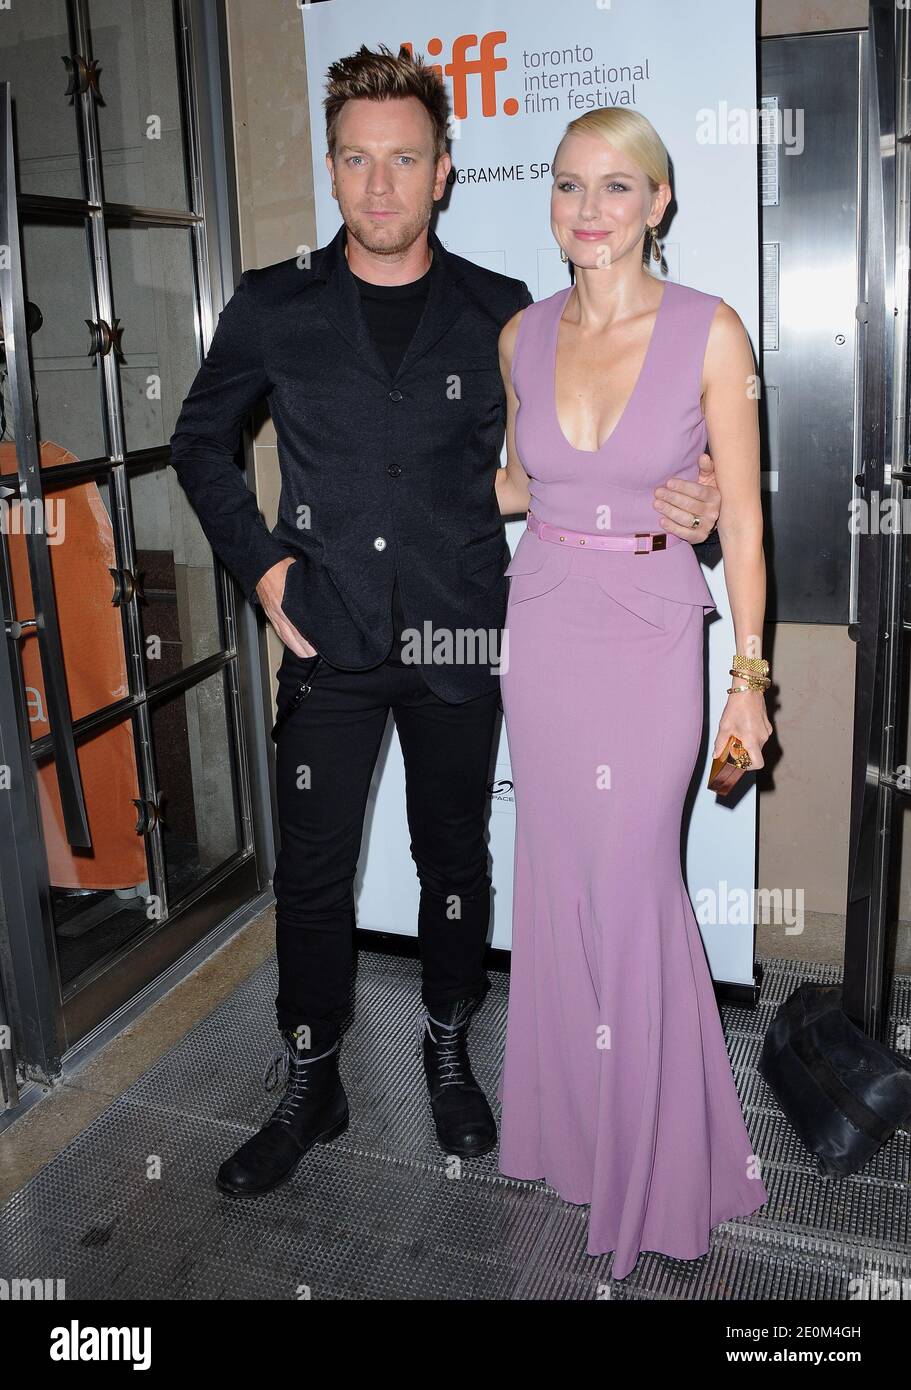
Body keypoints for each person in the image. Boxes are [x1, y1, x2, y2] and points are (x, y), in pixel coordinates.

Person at [168, 45, 722, 1200]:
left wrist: (691, 492)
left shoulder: (502, 314)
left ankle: (447, 1049)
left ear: (443, 172)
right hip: (324, 635)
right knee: (313, 880)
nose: (379, 186)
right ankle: (310, 1079)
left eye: (403, 160)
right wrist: (265, 572)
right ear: (331, 170)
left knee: (455, 860)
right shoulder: (275, 305)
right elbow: (196, 443)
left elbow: (552, 470)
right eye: (357, 161)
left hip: (463, 636)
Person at [494, 107, 772, 1279]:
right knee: (557, 884)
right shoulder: (521, 332)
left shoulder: (710, 331)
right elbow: (516, 484)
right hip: (543, 627)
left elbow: (746, 522)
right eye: (568, 186)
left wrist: (748, 681)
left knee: (630, 887)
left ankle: (659, 1174)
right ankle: (576, 1140)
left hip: (652, 632)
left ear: (658, 202)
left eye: (617, 187)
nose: (588, 211)